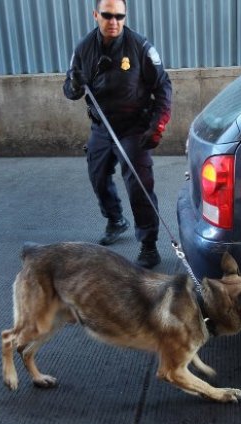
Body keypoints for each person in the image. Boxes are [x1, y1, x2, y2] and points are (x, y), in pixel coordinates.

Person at [63, 0, 172, 268]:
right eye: (108, 15)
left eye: (119, 16)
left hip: (134, 128)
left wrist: (157, 126)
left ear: (125, 17)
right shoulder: (83, 48)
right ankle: (115, 219)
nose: (114, 21)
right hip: (102, 127)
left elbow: (163, 87)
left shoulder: (140, 46)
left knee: (138, 185)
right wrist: (74, 85)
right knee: (98, 176)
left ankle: (148, 244)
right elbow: (70, 89)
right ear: (96, 15)